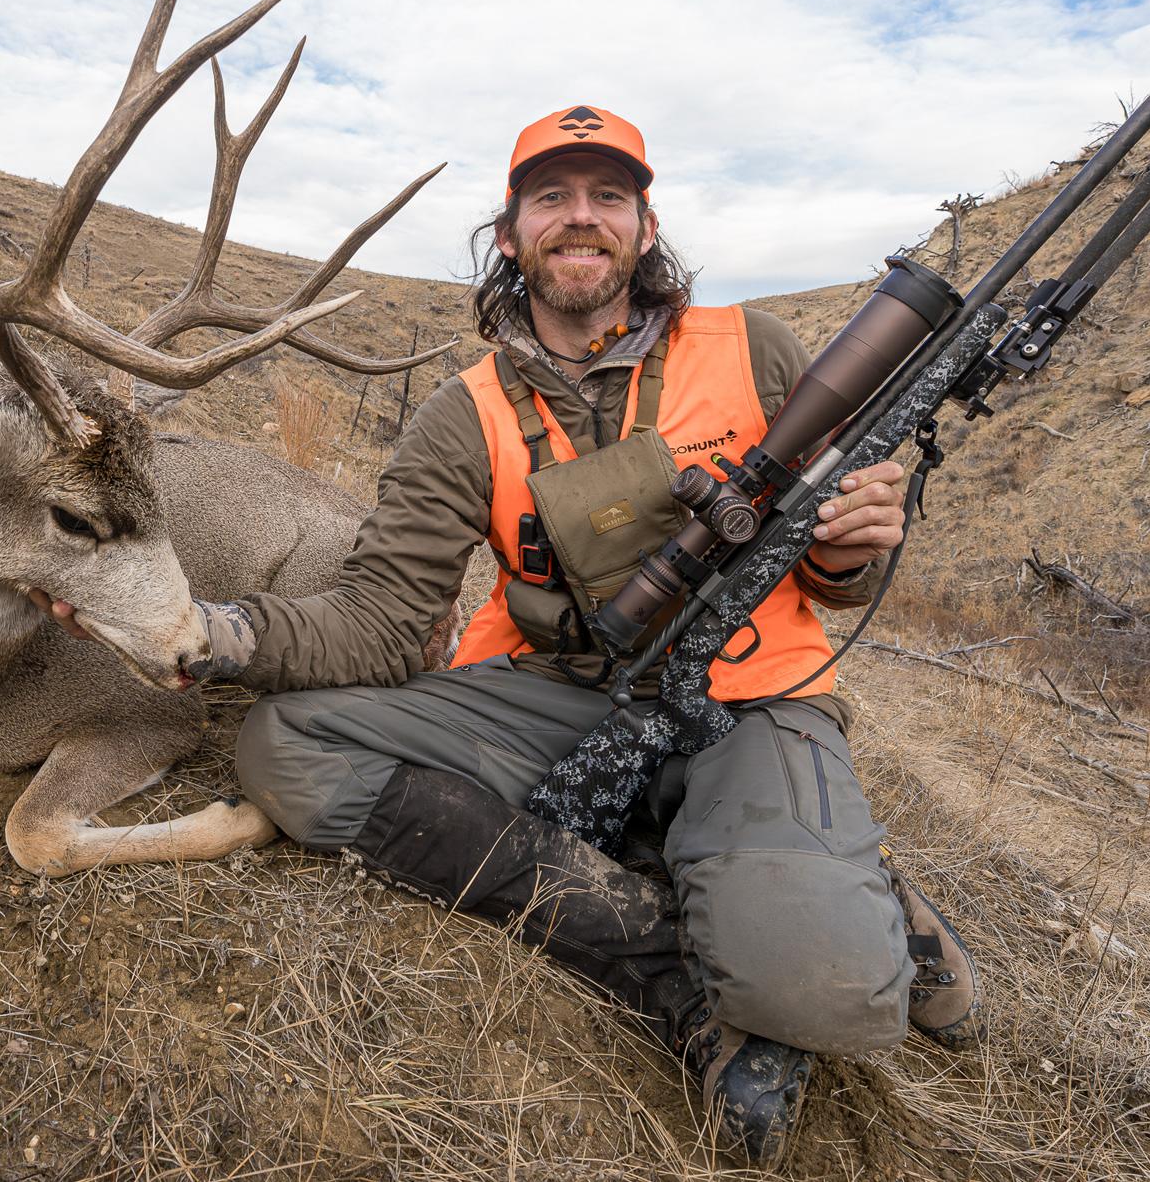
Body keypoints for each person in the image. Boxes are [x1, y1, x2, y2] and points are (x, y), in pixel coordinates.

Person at [181, 105, 984, 1167]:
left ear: (644, 227)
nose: (580, 217)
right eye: (550, 196)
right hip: (557, 692)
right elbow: (380, 619)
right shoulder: (465, 413)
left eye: (609, 195)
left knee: (818, 992)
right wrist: (209, 630)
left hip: (752, 698)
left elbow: (838, 578)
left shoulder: (756, 351)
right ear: (510, 231)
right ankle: (665, 958)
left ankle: (822, 876)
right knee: (286, 747)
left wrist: (849, 544)